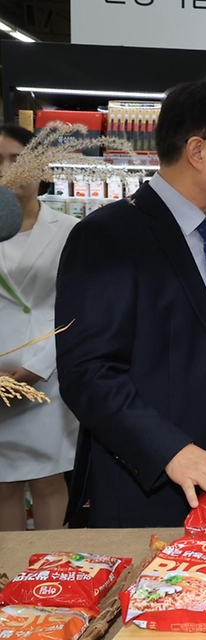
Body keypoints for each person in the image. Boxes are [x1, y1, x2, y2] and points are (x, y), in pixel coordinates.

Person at [55, 81, 206, 527]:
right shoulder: (109, 236)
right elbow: (88, 373)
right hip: (155, 486)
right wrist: (171, 450)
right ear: (199, 151)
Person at [0, 124, 79, 531]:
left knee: (49, 480)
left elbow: (74, 307)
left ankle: (55, 572)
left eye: (18, 159)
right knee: (3, 486)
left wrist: (34, 367)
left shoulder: (69, 232)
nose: (8, 170)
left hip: (46, 378)